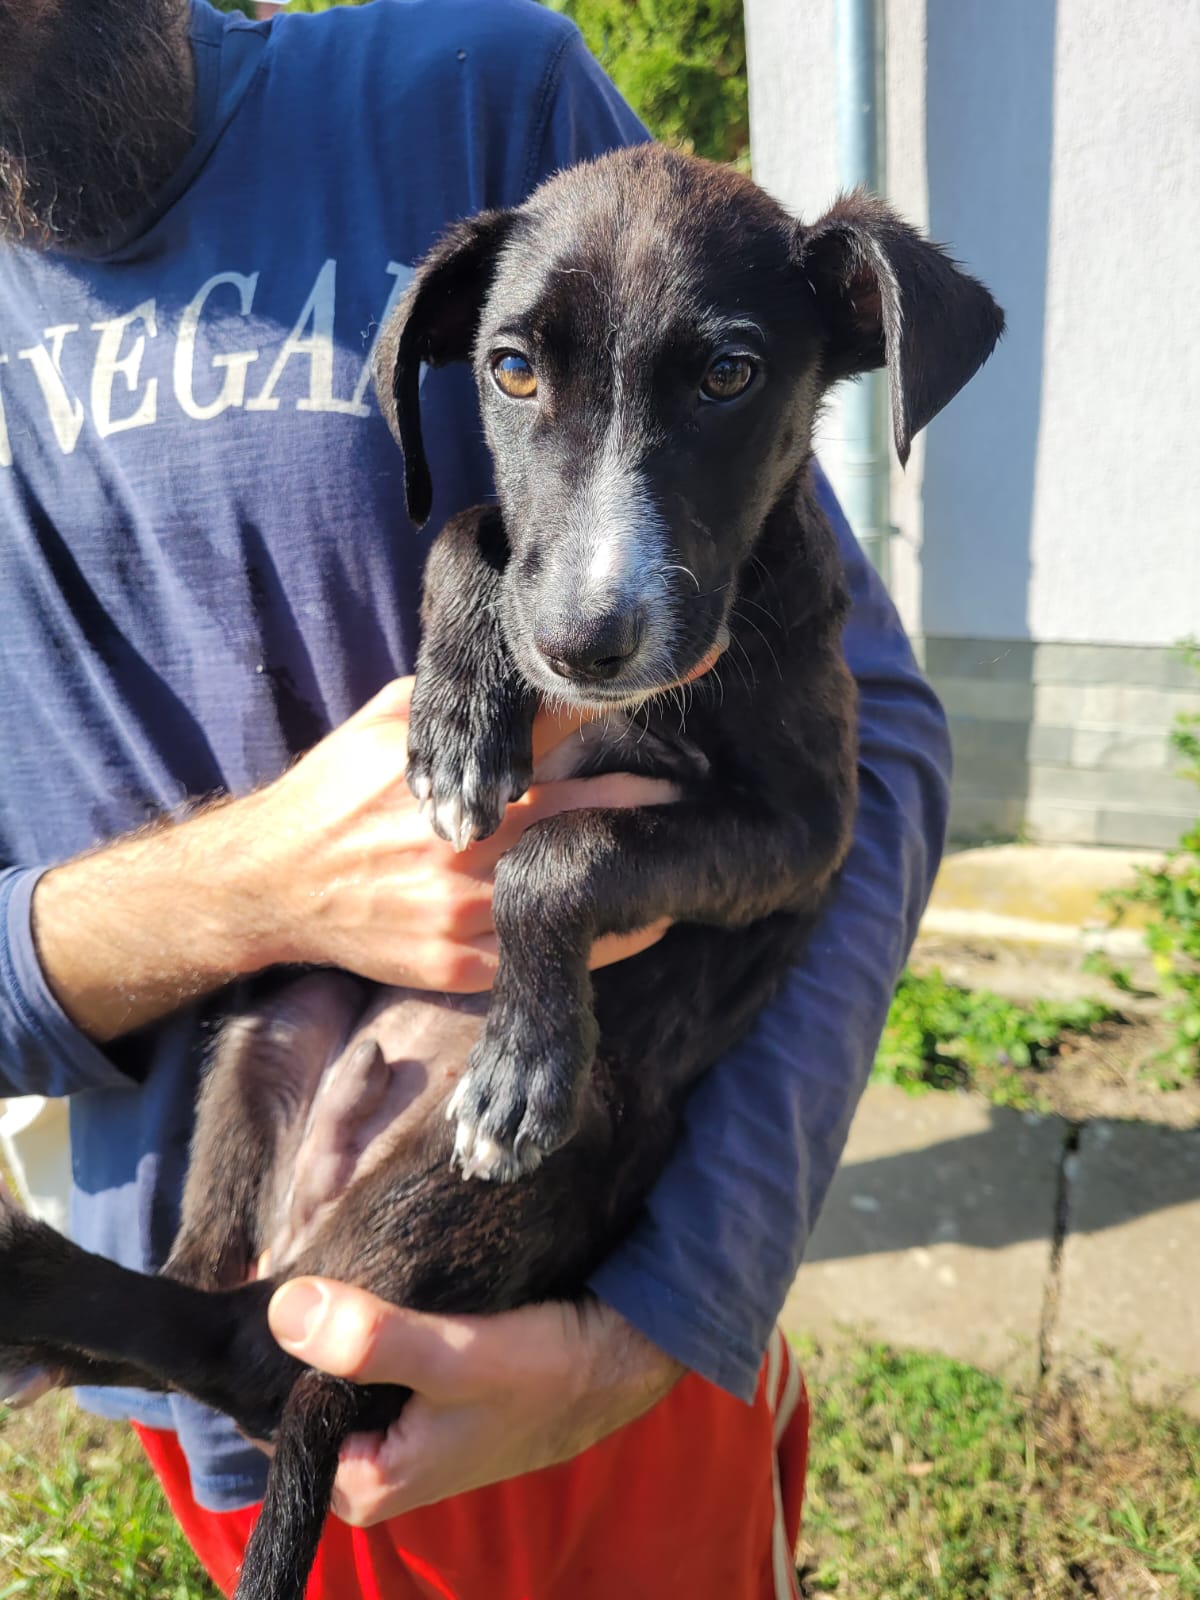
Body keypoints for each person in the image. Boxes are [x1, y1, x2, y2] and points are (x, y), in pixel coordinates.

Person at [0, 1, 951, 1595]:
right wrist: (246, 893)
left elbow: (865, 740)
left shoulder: (473, 99)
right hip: (194, 1287)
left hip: (532, 1347)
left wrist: (672, 1309)